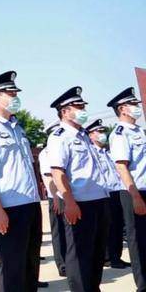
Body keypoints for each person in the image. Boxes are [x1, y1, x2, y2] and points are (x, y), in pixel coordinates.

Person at [0, 71, 42, 292]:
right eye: (9, 92)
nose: (14, 96)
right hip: (8, 208)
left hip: (30, 205)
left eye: (15, 92)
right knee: (12, 268)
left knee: (30, 265)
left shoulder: (17, 128)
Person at [47, 86, 109, 292]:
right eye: (78, 106)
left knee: (97, 252)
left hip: (99, 199)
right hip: (79, 202)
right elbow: (58, 172)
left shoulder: (83, 135)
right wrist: (70, 202)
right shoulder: (59, 136)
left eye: (83, 105)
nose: (83, 109)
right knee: (79, 254)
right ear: (64, 111)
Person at [108, 87, 146, 290]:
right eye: (133, 105)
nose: (137, 108)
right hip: (134, 190)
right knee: (138, 240)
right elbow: (122, 166)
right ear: (122, 109)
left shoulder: (140, 131)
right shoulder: (120, 134)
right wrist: (136, 197)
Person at [86, 118, 130, 269]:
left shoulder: (108, 153)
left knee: (117, 226)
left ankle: (116, 256)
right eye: (98, 131)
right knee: (108, 228)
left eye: (103, 131)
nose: (102, 134)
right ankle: (107, 257)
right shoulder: (91, 152)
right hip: (105, 193)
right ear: (90, 135)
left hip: (117, 191)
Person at [38, 122, 67, 277]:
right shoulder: (46, 153)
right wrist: (55, 196)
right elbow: (48, 177)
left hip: (69, 195)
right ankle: (62, 264)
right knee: (59, 232)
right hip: (57, 197)